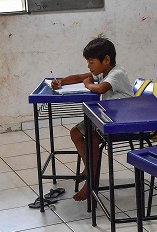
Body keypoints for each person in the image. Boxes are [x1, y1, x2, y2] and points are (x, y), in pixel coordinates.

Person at [50, 37, 132, 201]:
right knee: (75, 133)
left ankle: (90, 183)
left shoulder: (117, 73)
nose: (89, 66)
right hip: (108, 117)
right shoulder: (104, 72)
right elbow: (81, 77)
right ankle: (89, 168)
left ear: (106, 60)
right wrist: (61, 82)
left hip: (122, 119)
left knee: (93, 138)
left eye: (91, 62)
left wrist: (88, 84)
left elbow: (100, 88)